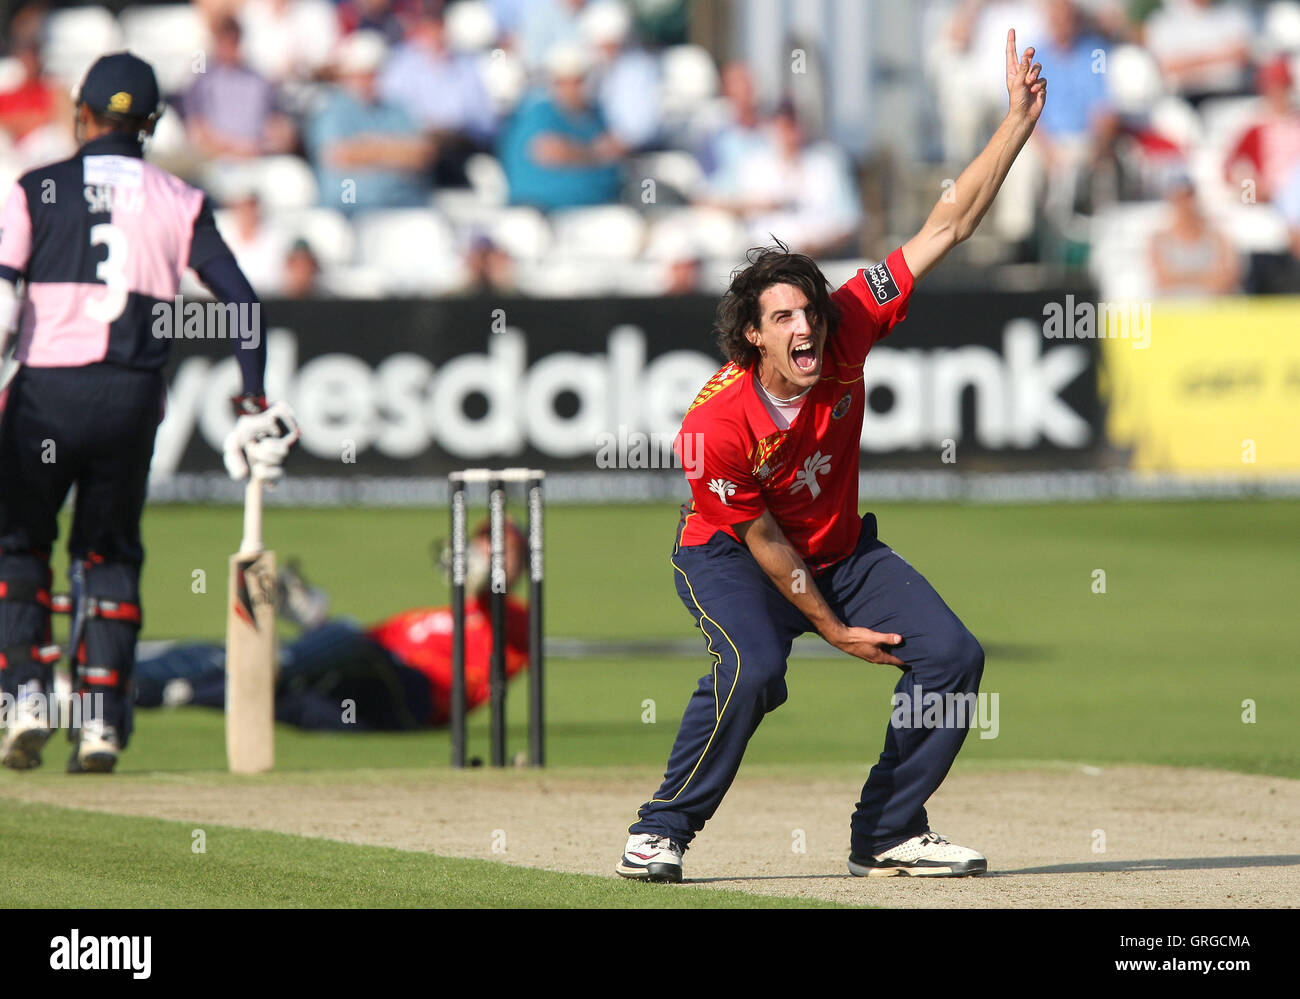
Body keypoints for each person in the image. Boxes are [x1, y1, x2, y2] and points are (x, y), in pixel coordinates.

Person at [616, 31, 1047, 883]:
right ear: (752, 334)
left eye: (806, 311)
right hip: (733, 551)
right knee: (755, 666)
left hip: (840, 546)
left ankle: (888, 829)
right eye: (781, 318)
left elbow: (948, 222)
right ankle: (659, 829)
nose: (804, 327)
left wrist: (1016, 124)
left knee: (954, 655)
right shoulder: (716, 426)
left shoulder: (848, 318)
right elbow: (767, 541)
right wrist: (833, 628)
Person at [0, 52, 298, 774]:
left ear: (83, 114)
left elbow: (3, 299)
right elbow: (244, 304)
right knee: (108, 551)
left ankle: (26, 696)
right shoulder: (179, 197)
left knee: (18, 545)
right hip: (131, 400)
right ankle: (100, 718)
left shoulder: (33, 189)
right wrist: (253, 400)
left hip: (45, 393)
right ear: (151, 124)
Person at [133, 521, 530, 731]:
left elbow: (360, 647)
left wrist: (485, 576)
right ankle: (117, 691)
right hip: (360, 706)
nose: (487, 552)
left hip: (418, 699)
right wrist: (315, 628)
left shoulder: (515, 619)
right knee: (248, 678)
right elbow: (355, 652)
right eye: (483, 543)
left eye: (501, 549)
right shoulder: (426, 617)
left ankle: (278, 658)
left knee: (345, 633)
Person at [497, 43, 623, 211]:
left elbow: (617, 150)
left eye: (580, 80)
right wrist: (594, 153)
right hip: (543, 212)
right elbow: (550, 151)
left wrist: (583, 153)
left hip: (600, 204)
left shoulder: (595, 114)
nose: (574, 88)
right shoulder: (537, 112)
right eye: (566, 81)